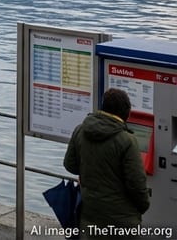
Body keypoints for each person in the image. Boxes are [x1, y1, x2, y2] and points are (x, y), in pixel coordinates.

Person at [64, 88, 150, 231]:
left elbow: (70, 165)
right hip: (122, 220)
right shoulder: (127, 140)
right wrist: (144, 205)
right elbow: (137, 183)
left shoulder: (80, 130)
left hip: (90, 213)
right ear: (126, 113)